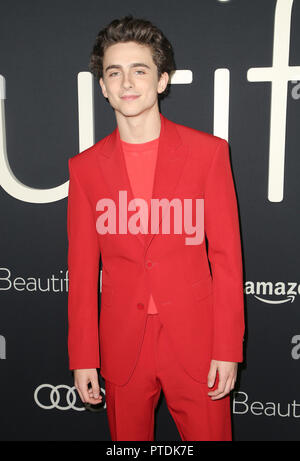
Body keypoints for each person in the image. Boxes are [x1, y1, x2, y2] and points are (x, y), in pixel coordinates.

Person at [66, 15, 245, 441]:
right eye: (115, 72)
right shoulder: (85, 169)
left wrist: (227, 348)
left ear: (162, 80)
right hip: (123, 345)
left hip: (197, 342)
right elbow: (82, 270)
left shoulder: (208, 154)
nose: (127, 82)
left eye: (140, 70)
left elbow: (226, 258)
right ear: (103, 87)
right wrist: (83, 356)